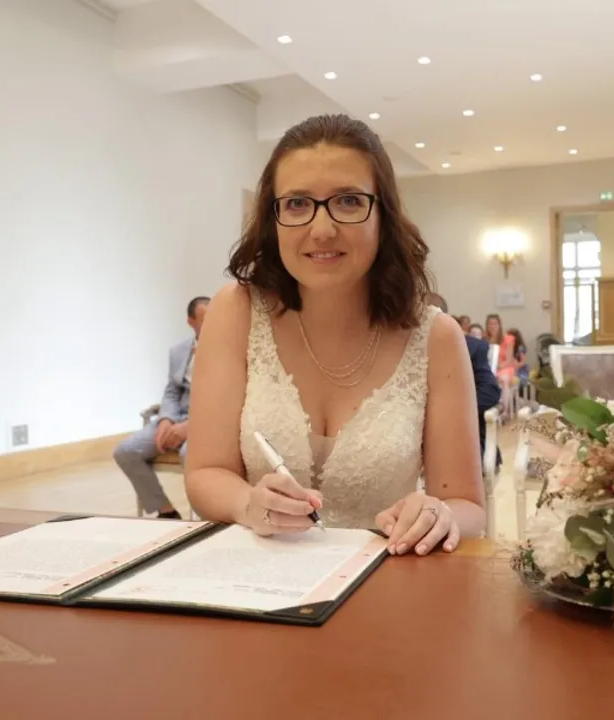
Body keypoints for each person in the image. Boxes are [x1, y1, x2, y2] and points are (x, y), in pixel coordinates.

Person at [184, 114, 485, 555]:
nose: (322, 230)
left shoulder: (435, 336)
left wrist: (438, 514)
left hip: (386, 576)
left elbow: (467, 505)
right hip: (256, 577)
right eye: (297, 204)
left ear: (383, 214)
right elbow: (205, 472)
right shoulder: (236, 311)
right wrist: (247, 503)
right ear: (273, 218)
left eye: (347, 201)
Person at [113, 296, 209, 518]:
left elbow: (227, 400)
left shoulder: (229, 351)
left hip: (207, 423)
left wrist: (190, 427)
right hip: (177, 417)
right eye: (206, 321)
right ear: (191, 322)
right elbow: (172, 391)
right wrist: (166, 419)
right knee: (126, 451)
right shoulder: (178, 351)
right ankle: (165, 510)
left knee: (191, 454)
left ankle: (202, 516)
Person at [426, 293, 502, 459]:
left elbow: (490, 391)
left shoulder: (473, 348)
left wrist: (448, 412)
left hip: (461, 434)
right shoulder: (398, 349)